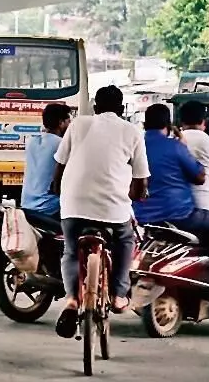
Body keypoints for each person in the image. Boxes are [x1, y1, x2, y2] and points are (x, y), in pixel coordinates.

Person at [51, 85, 149, 338]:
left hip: (74, 203)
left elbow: (60, 165)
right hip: (113, 207)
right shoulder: (132, 131)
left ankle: (72, 299)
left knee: (71, 251)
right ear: (121, 108)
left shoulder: (78, 124)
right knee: (126, 240)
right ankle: (118, 295)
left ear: (95, 108)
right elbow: (140, 179)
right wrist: (137, 195)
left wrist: (57, 188)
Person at [134, 103, 209, 301]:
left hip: (143, 215)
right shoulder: (178, 146)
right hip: (180, 213)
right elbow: (200, 177)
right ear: (204, 123)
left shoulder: (137, 145)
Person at [21, 103, 72, 222]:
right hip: (49, 207)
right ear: (61, 123)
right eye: (68, 122)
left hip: (26, 205)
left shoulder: (31, 142)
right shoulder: (62, 145)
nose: (70, 126)